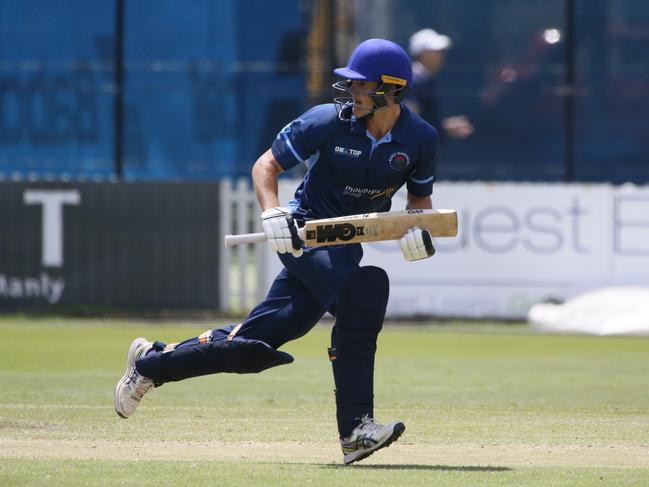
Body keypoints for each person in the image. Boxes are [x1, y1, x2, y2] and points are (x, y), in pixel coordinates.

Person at [114, 38, 438, 465]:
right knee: (365, 290)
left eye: (362, 85)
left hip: (346, 249)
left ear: (392, 89)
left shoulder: (420, 139)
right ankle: (357, 429)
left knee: (252, 348)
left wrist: (417, 232)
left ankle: (153, 363)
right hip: (301, 238)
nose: (351, 92)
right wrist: (273, 213)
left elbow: (419, 205)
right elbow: (266, 165)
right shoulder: (327, 121)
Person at [407, 28, 474, 141]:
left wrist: (445, 126)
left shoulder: (425, 79)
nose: (441, 55)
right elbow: (410, 125)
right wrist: (445, 129)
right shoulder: (415, 80)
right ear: (421, 53)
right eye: (435, 51)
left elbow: (422, 122)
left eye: (442, 51)